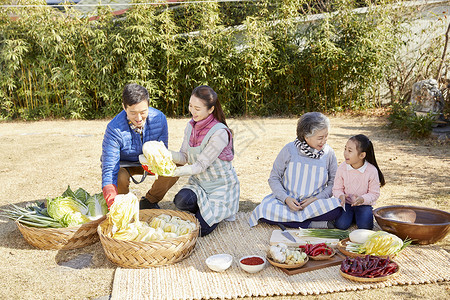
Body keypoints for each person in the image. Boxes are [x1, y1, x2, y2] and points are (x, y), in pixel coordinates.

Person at [249, 112, 342, 228]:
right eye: (320, 138)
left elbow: (334, 183)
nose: (324, 141)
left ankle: (294, 222)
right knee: (264, 210)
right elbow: (274, 178)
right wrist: (286, 199)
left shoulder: (329, 153)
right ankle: (312, 224)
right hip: (287, 203)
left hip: (315, 203)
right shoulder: (289, 150)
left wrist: (316, 198)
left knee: (337, 209)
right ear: (306, 136)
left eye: (326, 136)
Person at [169, 85, 240, 237]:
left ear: (210, 109)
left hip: (220, 188)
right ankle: (205, 210)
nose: (192, 111)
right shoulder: (190, 127)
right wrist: (164, 154)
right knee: (180, 201)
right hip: (200, 184)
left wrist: (174, 171)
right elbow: (184, 156)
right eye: (190, 106)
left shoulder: (220, 132)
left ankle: (223, 211)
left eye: (197, 108)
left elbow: (200, 165)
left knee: (199, 230)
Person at [101, 83, 178, 209]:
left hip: (149, 163)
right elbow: (109, 169)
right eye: (132, 113)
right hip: (125, 165)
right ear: (124, 107)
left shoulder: (159, 118)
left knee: (176, 166)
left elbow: (163, 152)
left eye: (143, 112)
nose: (138, 118)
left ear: (148, 105)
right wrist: (111, 199)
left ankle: (149, 201)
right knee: (119, 176)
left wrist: (155, 165)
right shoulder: (114, 128)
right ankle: (124, 205)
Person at [332, 134, 385, 230]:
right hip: (346, 204)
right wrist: (340, 196)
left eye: (350, 151)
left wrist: (363, 199)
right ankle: (352, 216)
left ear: (362, 155)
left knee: (366, 227)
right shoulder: (342, 168)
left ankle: (357, 216)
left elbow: (374, 193)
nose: (345, 153)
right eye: (345, 149)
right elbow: (337, 188)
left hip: (363, 205)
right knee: (341, 225)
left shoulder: (371, 171)